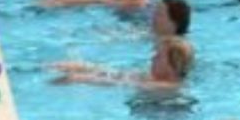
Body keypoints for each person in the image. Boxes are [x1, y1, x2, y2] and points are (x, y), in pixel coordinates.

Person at [51, 34, 194, 88]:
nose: (152, 58)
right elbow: (118, 74)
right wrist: (84, 67)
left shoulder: (168, 87)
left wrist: (80, 79)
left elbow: (120, 83)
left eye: (158, 56)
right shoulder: (152, 78)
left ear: (173, 65)